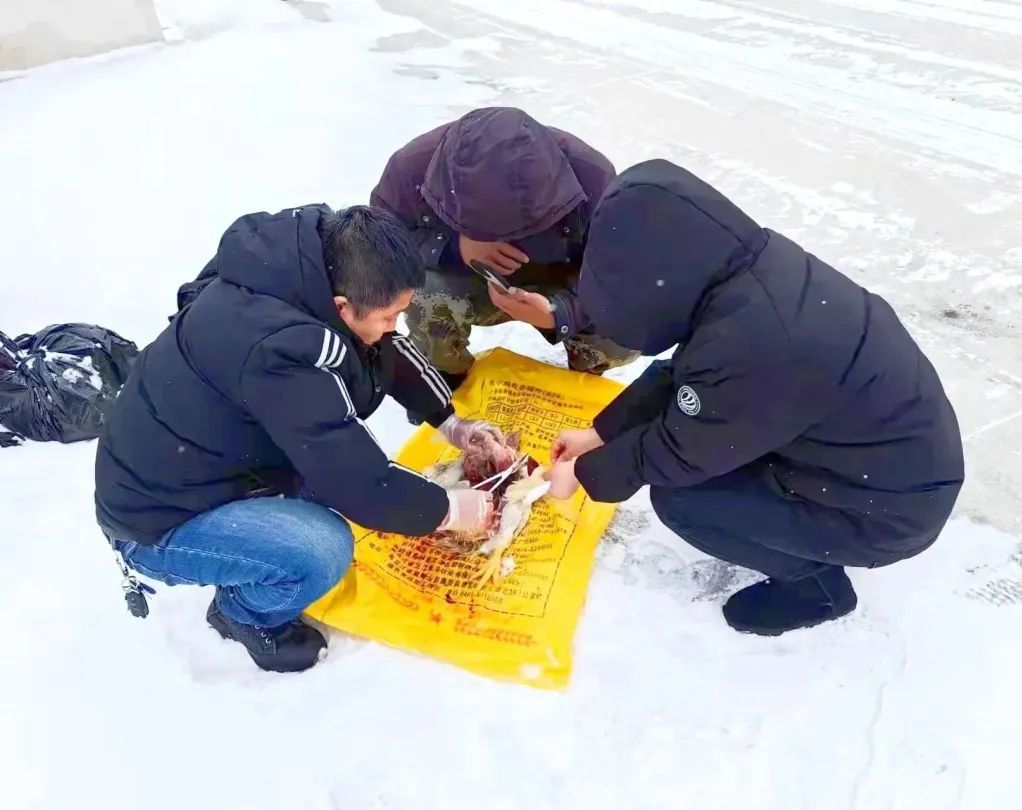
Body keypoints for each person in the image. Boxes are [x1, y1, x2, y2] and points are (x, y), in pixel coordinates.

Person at [545, 160, 965, 637]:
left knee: (684, 501)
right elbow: (683, 376)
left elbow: (680, 452)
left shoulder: (757, 344)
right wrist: (600, 434)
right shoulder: (745, 279)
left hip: (883, 513)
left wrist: (585, 474)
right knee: (709, 461)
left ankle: (815, 587)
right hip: (874, 462)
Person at [95, 205, 499, 673]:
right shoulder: (278, 349)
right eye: (390, 316)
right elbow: (359, 482)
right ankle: (242, 614)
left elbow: (383, 349)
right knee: (321, 549)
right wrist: (449, 510)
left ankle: (255, 547)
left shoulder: (317, 270)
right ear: (342, 307)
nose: (394, 326)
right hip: (156, 519)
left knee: (338, 490)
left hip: (212, 465)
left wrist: (450, 422)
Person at [370, 106, 639, 416]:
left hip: (562, 286)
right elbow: (382, 245)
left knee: (624, 329)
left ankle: (583, 379)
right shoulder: (410, 169)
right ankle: (446, 380)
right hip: (474, 283)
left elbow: (621, 275)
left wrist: (561, 314)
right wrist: (453, 248)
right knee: (419, 292)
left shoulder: (593, 176)